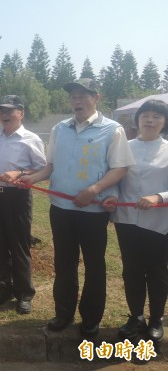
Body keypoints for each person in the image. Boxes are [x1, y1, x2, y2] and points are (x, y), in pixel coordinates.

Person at [19, 78, 134, 337]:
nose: (77, 101)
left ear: (97, 98)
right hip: (61, 209)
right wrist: (32, 178)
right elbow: (50, 166)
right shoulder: (60, 129)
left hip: (93, 212)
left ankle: (91, 318)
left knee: (94, 265)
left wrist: (93, 191)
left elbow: (120, 168)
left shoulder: (112, 130)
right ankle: (63, 313)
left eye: (83, 95)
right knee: (64, 263)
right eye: (73, 96)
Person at [102, 99, 168, 343]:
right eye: (145, 115)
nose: (150, 120)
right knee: (132, 271)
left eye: (156, 116)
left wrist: (158, 196)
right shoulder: (124, 147)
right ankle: (136, 316)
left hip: (158, 222)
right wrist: (112, 196)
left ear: (164, 122)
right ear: (138, 119)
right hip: (127, 220)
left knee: (157, 271)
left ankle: (156, 319)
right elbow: (116, 180)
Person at [0, 95, 46, 315]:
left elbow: (41, 168)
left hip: (18, 198)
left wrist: (19, 172)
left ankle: (23, 294)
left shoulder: (31, 139)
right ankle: (3, 289)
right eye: (2, 112)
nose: (5, 115)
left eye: (10, 111)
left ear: (21, 113)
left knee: (19, 246)